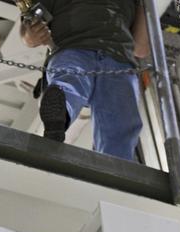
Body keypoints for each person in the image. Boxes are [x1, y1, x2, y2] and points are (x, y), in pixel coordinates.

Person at [20, 0, 150, 160]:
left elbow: (141, 48)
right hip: (74, 49)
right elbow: (28, 33)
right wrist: (31, 35)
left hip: (117, 61)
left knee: (118, 118)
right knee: (70, 83)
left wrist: (145, 6)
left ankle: (113, 169)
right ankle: (58, 118)